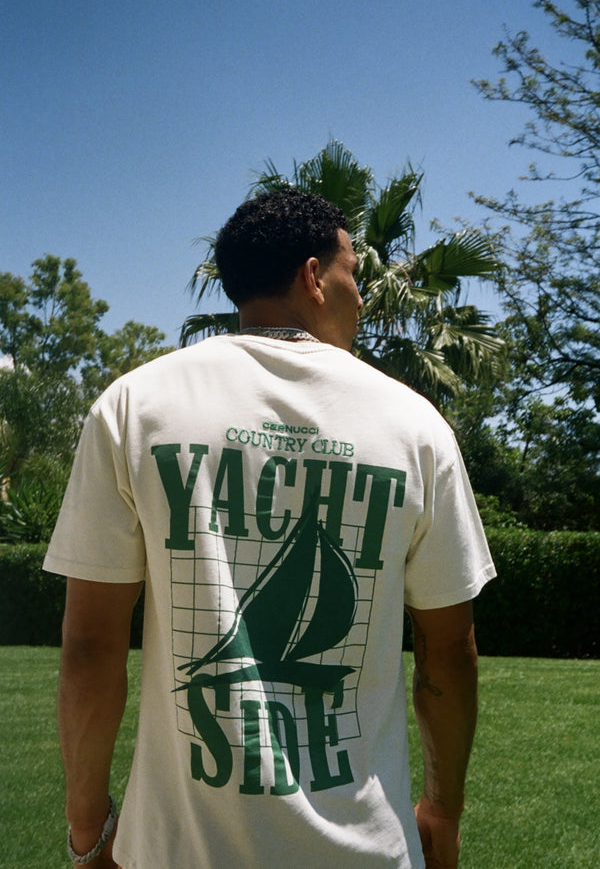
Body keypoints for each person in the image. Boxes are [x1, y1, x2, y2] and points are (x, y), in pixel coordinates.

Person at [46, 188, 496, 869]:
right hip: (366, 852)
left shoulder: (135, 406)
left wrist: (87, 830)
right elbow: (449, 652)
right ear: (313, 276)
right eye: (353, 274)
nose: (361, 298)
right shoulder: (415, 428)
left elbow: (89, 645)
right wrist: (443, 810)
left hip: (177, 852)